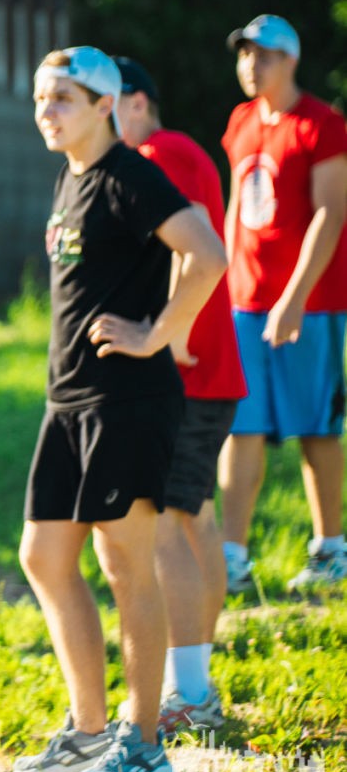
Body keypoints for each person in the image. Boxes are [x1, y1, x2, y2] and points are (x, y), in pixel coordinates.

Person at [14, 47, 225, 772]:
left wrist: (160, 332)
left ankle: (143, 748)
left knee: (125, 564)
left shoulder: (129, 175)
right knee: (43, 556)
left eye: (62, 98)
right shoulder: (70, 177)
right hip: (68, 402)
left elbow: (207, 252)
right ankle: (88, 732)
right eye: (41, 97)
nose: (46, 111)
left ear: (105, 104)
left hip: (125, 402)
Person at [114, 57, 247, 733]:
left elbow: (191, 237)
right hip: (210, 370)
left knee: (165, 521)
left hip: (190, 369)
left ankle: (190, 692)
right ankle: (194, 677)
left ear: (137, 102)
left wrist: (172, 333)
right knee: (194, 520)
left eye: (107, 100)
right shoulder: (175, 150)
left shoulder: (159, 151)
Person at [216, 15, 347, 592]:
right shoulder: (241, 121)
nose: (252, 65)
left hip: (310, 304)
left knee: (315, 426)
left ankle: (330, 551)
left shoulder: (321, 123)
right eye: (246, 55)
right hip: (245, 302)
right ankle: (232, 559)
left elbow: (332, 213)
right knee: (240, 426)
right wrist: (221, 286)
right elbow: (234, 208)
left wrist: (293, 298)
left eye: (264, 55)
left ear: (291, 60)